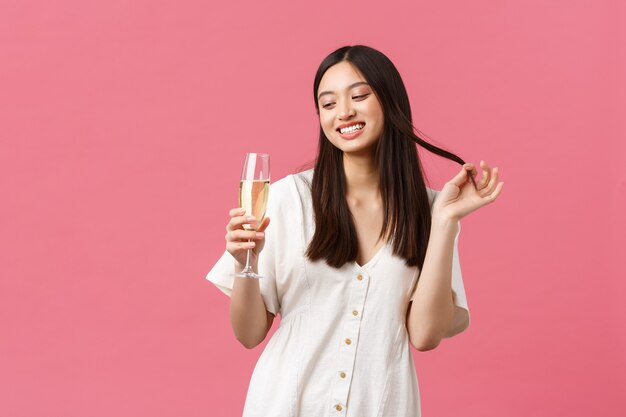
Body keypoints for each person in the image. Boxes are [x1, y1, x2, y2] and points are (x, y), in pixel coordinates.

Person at [206, 44, 504, 416]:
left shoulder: (431, 209)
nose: (344, 112)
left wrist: (445, 223)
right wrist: (243, 262)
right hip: (285, 403)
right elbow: (249, 335)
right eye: (328, 104)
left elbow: (425, 336)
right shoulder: (287, 199)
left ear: (391, 101)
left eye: (359, 96)